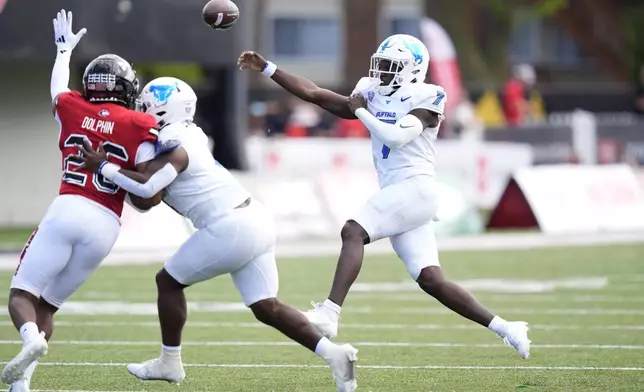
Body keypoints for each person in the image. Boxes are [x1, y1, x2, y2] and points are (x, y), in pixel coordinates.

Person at [237, 34, 531, 359]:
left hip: (416, 188)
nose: (383, 73)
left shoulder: (427, 96)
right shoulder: (372, 91)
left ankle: (330, 313)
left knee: (353, 230)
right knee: (431, 279)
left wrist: (361, 112)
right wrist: (267, 68)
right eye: (381, 65)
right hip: (399, 193)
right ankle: (507, 327)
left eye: (392, 67)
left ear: (413, 71)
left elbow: (396, 136)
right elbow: (315, 94)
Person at [74, 76, 359, 392]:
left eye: (147, 104)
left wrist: (104, 167)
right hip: (253, 218)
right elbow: (147, 197)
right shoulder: (185, 133)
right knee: (267, 307)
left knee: (167, 282)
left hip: (230, 226)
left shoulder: (174, 142)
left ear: (164, 109)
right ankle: (334, 355)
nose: (141, 109)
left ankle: (170, 362)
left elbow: (148, 186)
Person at [2, 9, 160, 391]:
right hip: (107, 224)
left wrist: (62, 52)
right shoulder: (140, 125)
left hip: (69, 206)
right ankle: (21, 384)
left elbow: (58, 89)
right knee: (48, 306)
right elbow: (147, 185)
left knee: (22, 296)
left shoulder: (74, 108)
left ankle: (30, 341)